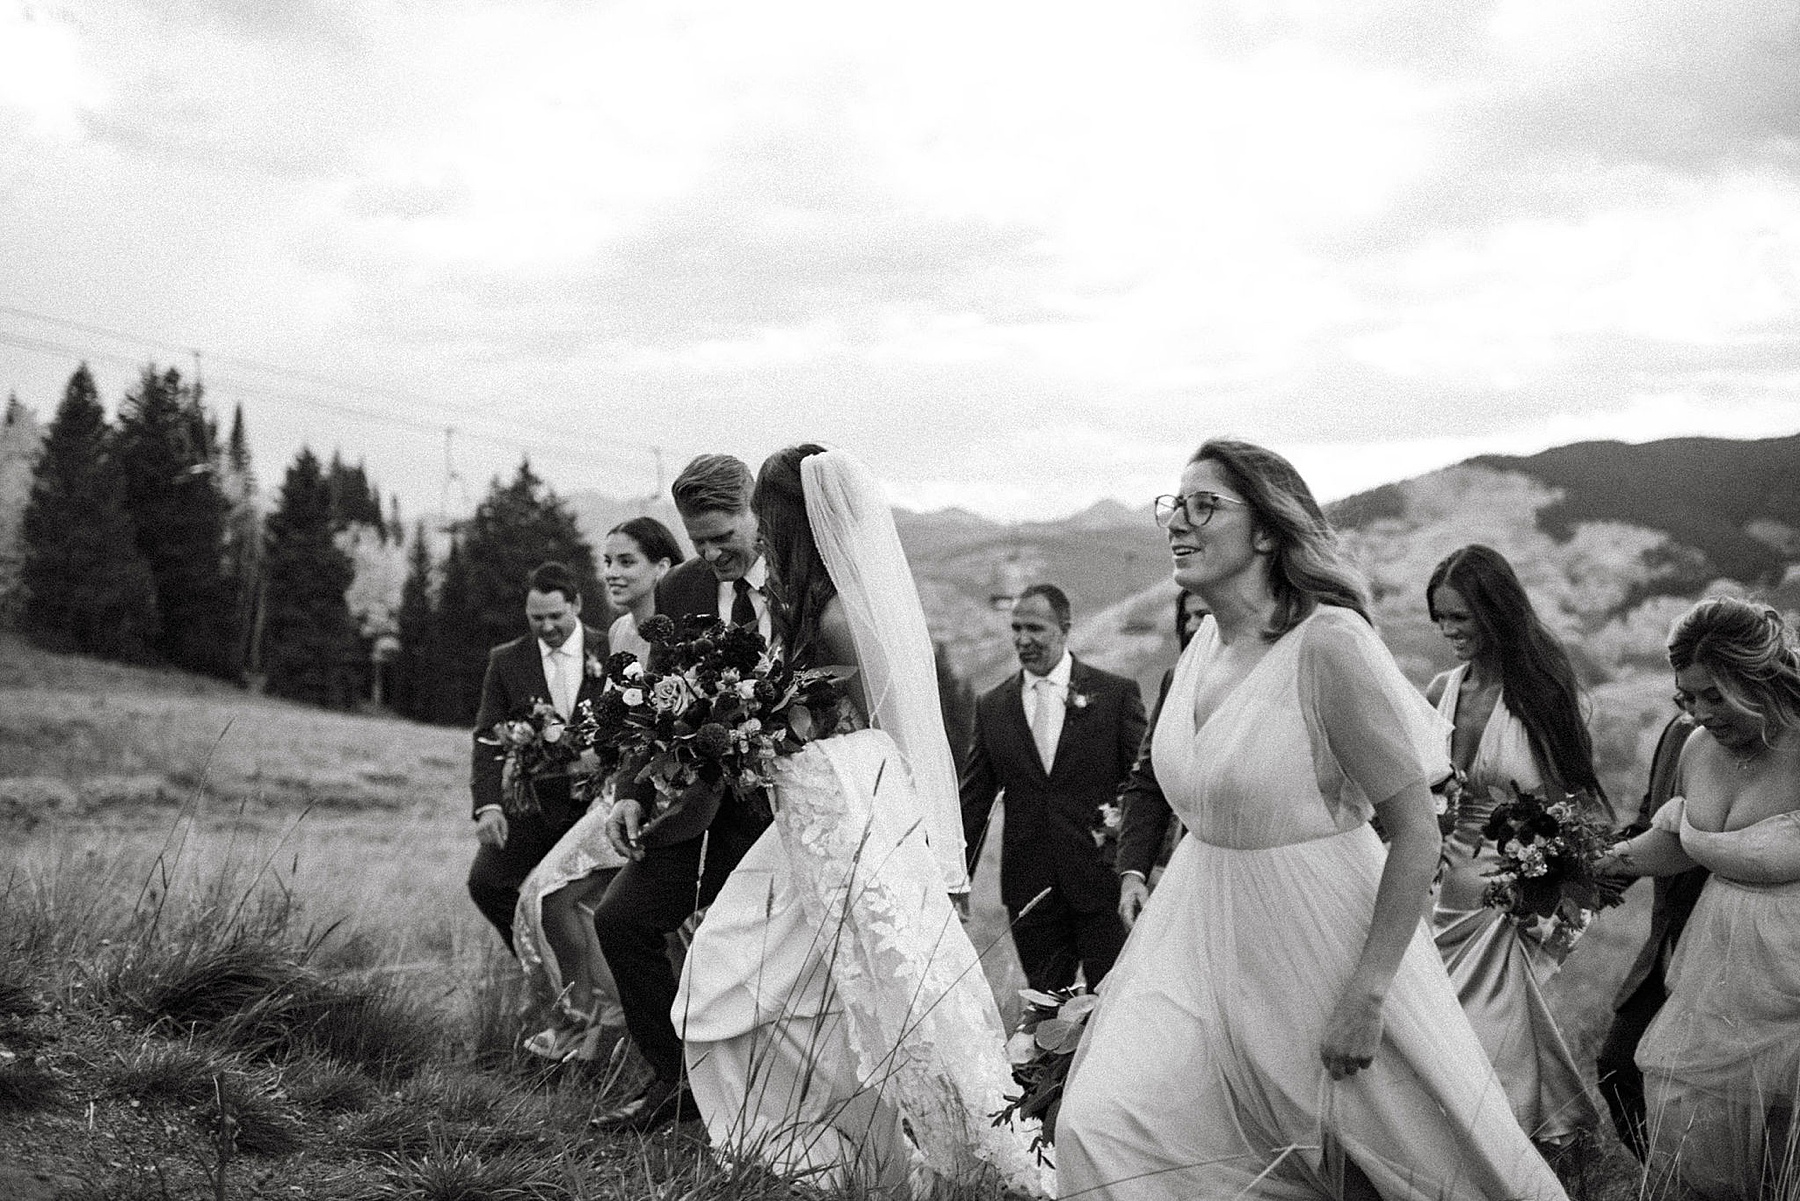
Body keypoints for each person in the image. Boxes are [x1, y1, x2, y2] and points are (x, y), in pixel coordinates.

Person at [1056, 439, 1566, 1200]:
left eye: (1205, 505)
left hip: (1321, 941)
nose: (1179, 523)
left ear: (1266, 529)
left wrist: (1367, 994)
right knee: (1098, 1127)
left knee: (1407, 1168)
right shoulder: (1202, 646)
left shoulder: (1327, 645)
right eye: (1175, 504)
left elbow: (1415, 827)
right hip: (1200, 938)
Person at [675, 445, 1042, 1195]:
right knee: (730, 975)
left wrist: (923, 850)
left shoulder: (841, 615)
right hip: (804, 817)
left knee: (869, 994)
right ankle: (817, 1140)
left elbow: (894, 723)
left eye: (768, 520)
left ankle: (886, 1153)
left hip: (847, 819)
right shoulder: (796, 605)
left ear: (792, 522)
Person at [1598, 597, 1800, 1201]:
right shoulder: (1694, 746)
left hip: (1792, 979)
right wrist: (1584, 864)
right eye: (1688, 697)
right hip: (1716, 972)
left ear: (1760, 677)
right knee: (1692, 1133)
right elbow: (1678, 844)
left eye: (1716, 696)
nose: (1701, 713)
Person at [593, 455, 772, 1131]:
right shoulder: (683, 589)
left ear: (755, 512)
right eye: (698, 539)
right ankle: (675, 1079)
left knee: (737, 957)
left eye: (723, 534)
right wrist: (630, 790)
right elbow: (653, 699)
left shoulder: (794, 587)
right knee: (621, 919)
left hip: (766, 812)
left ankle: (751, 1098)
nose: (711, 551)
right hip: (682, 802)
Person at [1423, 544, 1605, 1147]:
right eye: (1440, 618)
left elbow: (1569, 803)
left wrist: (1539, 888)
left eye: (1461, 618)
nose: (1449, 631)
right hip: (1440, 891)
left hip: (1510, 896)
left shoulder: (1539, 695)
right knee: (1440, 1036)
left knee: (1487, 1039)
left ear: (1496, 613)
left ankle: (1506, 1152)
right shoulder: (1441, 690)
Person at [512, 517, 686, 1062]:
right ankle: (593, 1024)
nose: (611, 572)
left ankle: (602, 1026)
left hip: (665, 795)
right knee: (551, 898)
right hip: (616, 789)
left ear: (663, 567)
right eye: (607, 561)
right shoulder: (619, 634)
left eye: (626, 561)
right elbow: (618, 723)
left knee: (556, 897)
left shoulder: (682, 630)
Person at [959, 585, 1146, 990]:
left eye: (1035, 628)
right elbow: (974, 802)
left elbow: (1143, 785)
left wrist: (1140, 866)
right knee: (1045, 1009)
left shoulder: (1115, 696)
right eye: (1016, 628)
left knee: (1111, 1000)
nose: (1023, 640)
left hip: (1102, 885)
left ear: (1064, 629)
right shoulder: (992, 707)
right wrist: (956, 881)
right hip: (1030, 890)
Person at [465, 561, 608, 951]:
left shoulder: (611, 648)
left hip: (597, 806)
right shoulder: (506, 660)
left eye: (555, 616)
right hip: (534, 804)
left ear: (576, 605)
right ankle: (541, 967)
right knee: (486, 883)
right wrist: (489, 807)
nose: (546, 627)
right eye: (536, 618)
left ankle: (596, 979)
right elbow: (487, 737)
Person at [1592, 710, 1701, 1160]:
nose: (1688, 700)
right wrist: (1581, 882)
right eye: (1682, 686)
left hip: (1741, 944)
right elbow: (1648, 826)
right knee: (1618, 1067)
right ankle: (1671, 1181)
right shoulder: (1679, 728)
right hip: (1668, 940)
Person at [1115, 589, 1206, 927]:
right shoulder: (1175, 681)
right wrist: (1133, 874)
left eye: (1205, 615)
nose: (1194, 627)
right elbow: (1148, 779)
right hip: (1186, 872)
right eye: (1188, 618)